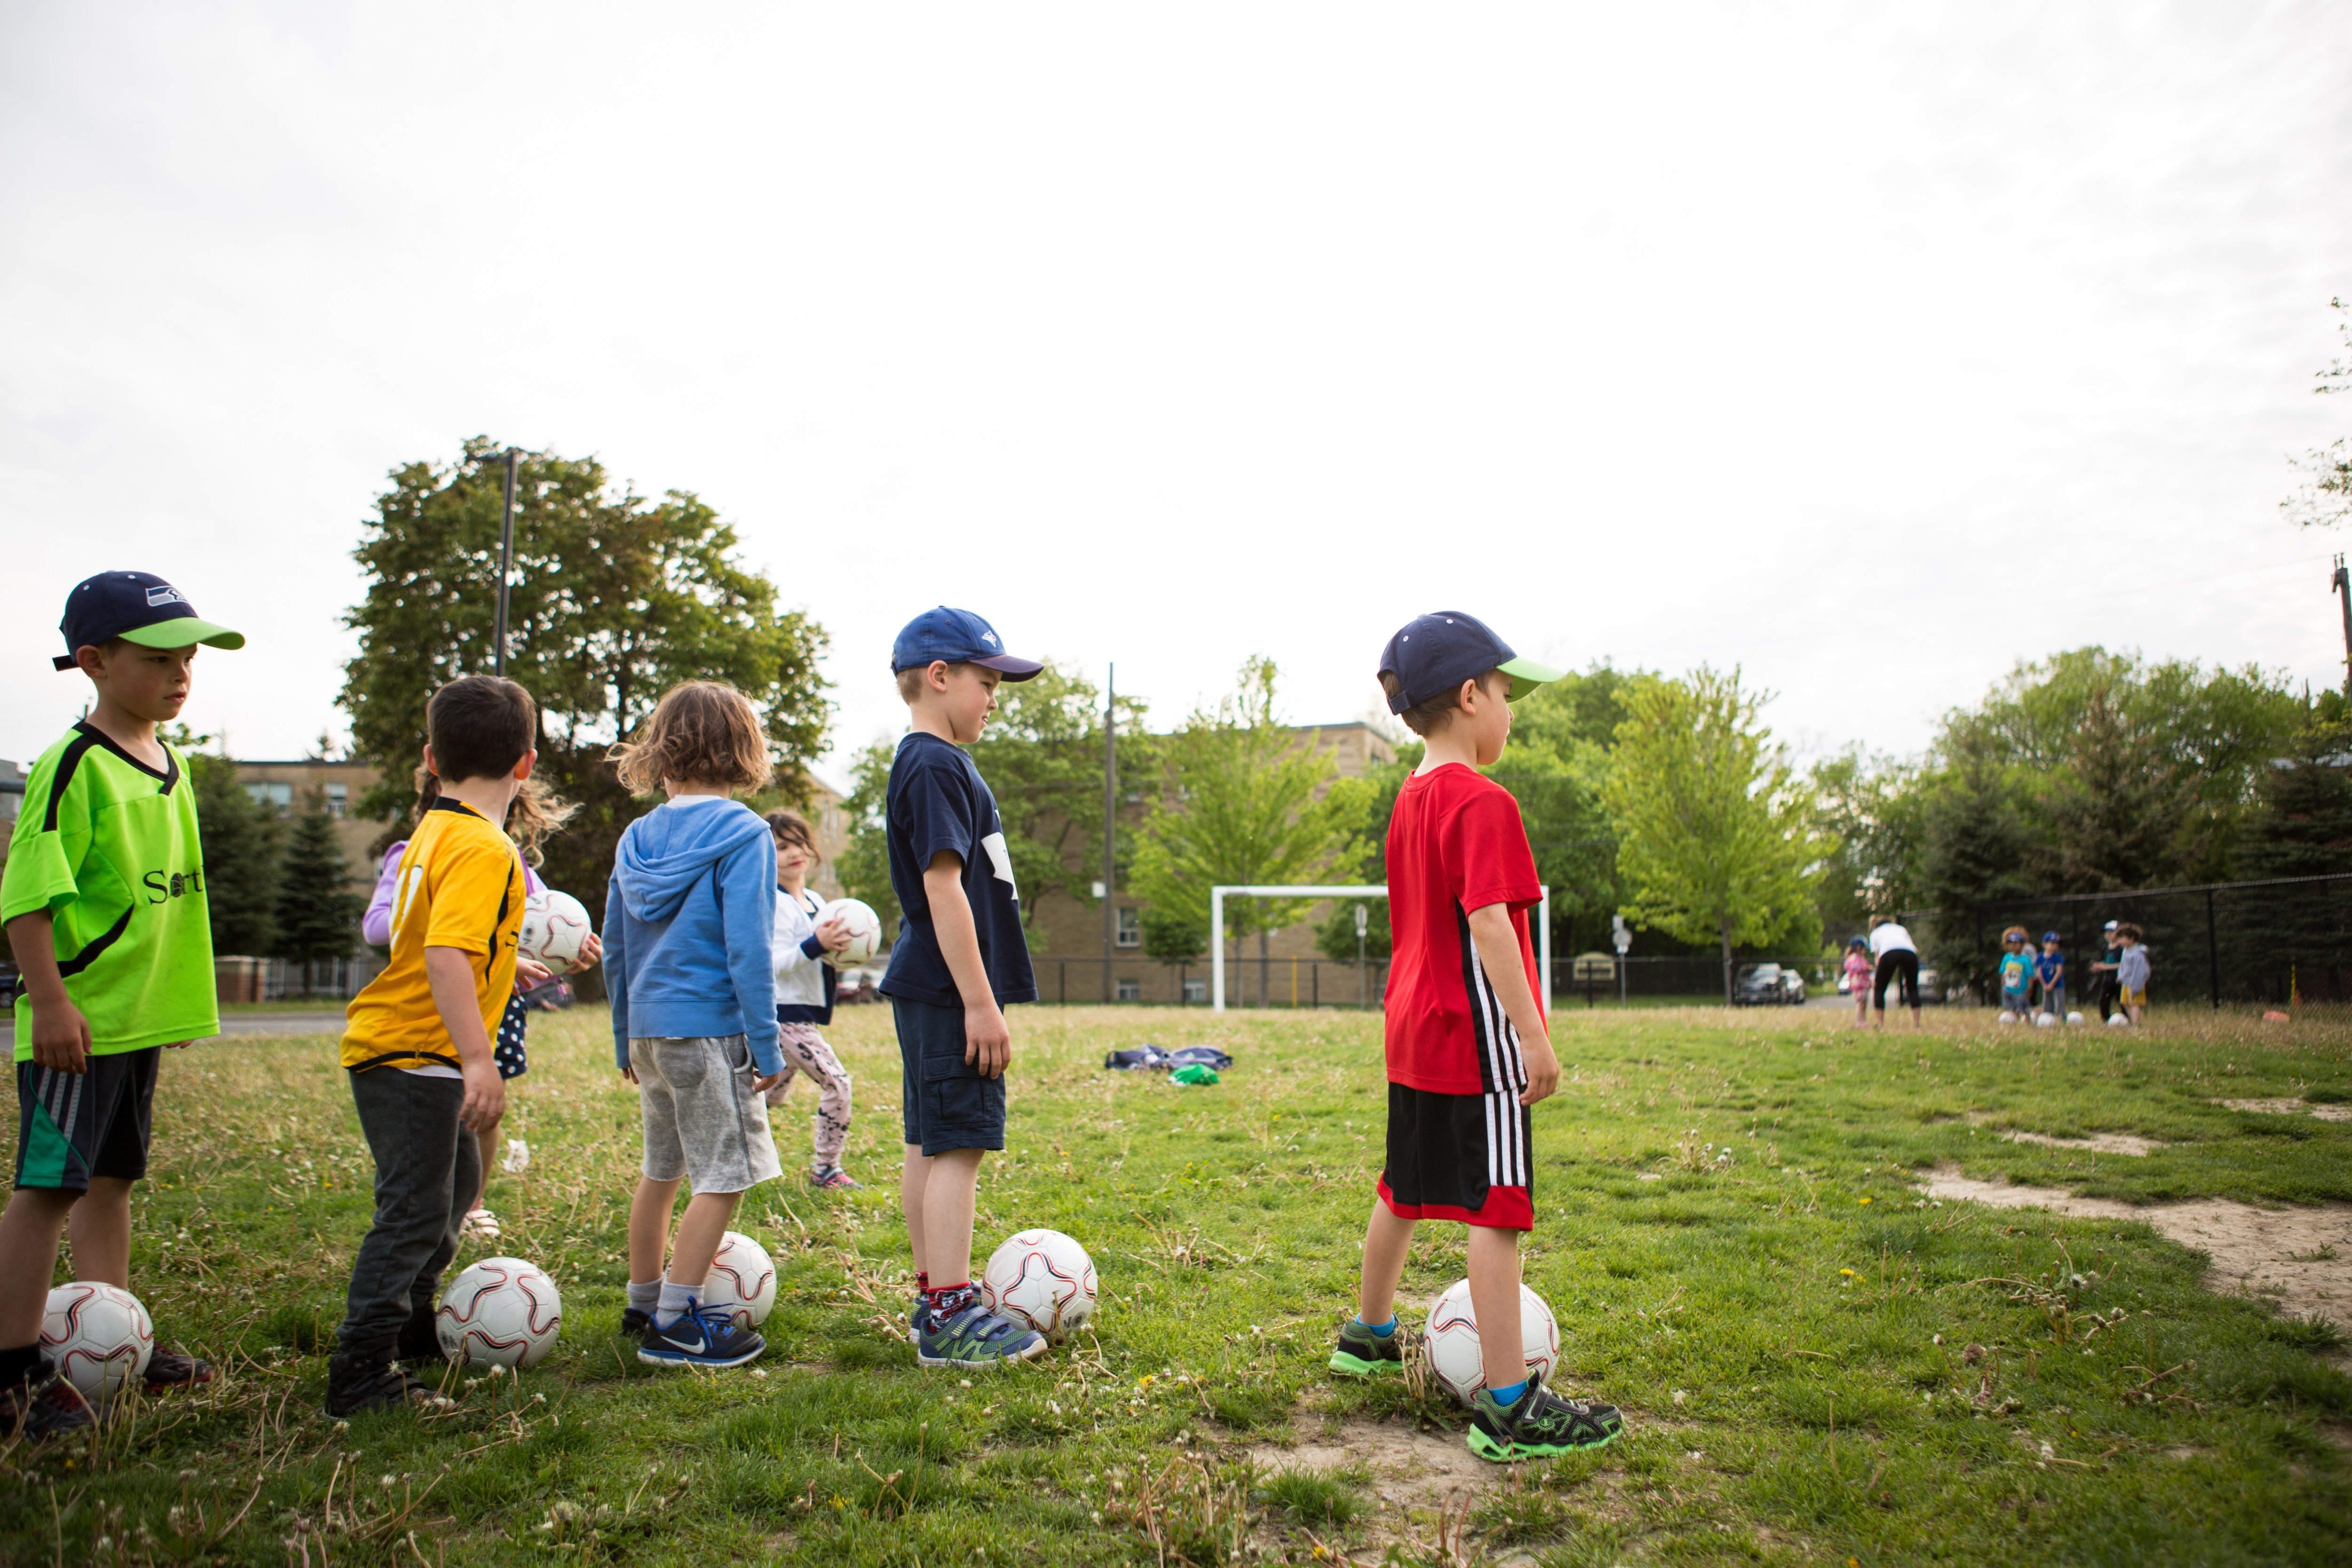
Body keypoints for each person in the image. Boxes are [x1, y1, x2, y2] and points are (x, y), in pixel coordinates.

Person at [1331, 611, 1622, 1463]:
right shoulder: (1484, 800)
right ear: (1468, 696)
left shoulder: (1410, 798)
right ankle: (1508, 1405)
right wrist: (1533, 1036)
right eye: (1505, 692)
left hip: (1411, 1024)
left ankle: (1371, 1333)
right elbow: (1491, 925)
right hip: (1475, 1032)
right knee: (1498, 1207)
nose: (1511, 709)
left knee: (1406, 1186)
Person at [0, 572, 240, 1440]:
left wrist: (165, 1005)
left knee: (113, 1180)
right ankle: (12, 1367)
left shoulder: (171, 762)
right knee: (47, 1187)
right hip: (79, 1024)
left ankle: (114, 1338)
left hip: (136, 1023)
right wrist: (52, 1002)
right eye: (158, 660)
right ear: (95, 662)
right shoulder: (73, 764)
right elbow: (26, 897)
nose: (181, 675)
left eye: (188, 660)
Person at [327, 675, 538, 1415]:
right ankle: (360, 1369)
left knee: (448, 1196)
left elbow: (433, 941)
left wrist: (508, 967)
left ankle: (415, 1327)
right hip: (416, 1055)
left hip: (408, 1047)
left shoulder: (433, 834)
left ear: (430, 757)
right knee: (413, 1210)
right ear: (525, 762)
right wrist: (481, 1059)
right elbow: (445, 955)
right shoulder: (485, 848)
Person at [881, 607, 1050, 1368]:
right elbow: (943, 886)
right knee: (961, 1144)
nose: (993, 697)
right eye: (986, 681)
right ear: (940, 676)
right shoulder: (936, 763)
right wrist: (981, 1002)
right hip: (950, 990)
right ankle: (950, 1307)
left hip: (928, 983)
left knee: (931, 1137)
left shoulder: (930, 761)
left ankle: (934, 1291)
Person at [604, 682, 786, 1368]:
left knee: (662, 1168)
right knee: (725, 1174)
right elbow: (748, 948)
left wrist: (624, 1033)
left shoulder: (637, 835)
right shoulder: (745, 833)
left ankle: (643, 1299)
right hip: (709, 1030)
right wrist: (766, 1046)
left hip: (649, 1031)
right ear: (742, 750)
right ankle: (679, 1322)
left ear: (665, 750)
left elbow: (616, 943)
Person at [361, 773, 598, 1242]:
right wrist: (448, 924)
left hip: (498, 1003)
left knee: (485, 1105)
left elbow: (541, 926)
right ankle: (422, 1205)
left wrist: (576, 948)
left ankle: (471, 1203)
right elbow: (375, 928)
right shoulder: (412, 854)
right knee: (433, 1119)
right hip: (432, 1006)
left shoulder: (510, 860)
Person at [764, 810, 860, 1189]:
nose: (794, 852)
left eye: (799, 842)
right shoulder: (773, 903)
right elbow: (769, 964)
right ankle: (826, 1170)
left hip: (806, 1015)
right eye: (782, 846)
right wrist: (814, 945)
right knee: (837, 1084)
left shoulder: (818, 901)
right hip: (785, 1018)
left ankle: (728, 1145)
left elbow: (826, 953)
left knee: (762, 1097)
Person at [1867, 915, 1920, 1027]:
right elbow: (1915, 949)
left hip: (1888, 953)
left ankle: (1880, 1024)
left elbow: (1878, 960)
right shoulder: (1900, 929)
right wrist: (1910, 976)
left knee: (1879, 989)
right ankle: (1916, 1024)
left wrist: (1878, 978)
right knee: (1913, 988)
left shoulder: (1875, 933)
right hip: (1910, 953)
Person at [2086, 920, 2123, 1022]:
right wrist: (2099, 966)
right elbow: (2105, 962)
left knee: (2122, 1001)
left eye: (2111, 932)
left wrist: (2105, 967)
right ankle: (2106, 1021)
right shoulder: (2105, 948)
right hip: (2108, 980)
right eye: (2107, 933)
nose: (2108, 935)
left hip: (2119, 980)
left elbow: (2122, 965)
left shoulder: (2122, 949)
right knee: (2104, 1001)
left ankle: (2126, 1019)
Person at [2114, 924, 2149, 1026]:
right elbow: (2123, 966)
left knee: (2135, 1004)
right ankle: (2133, 1022)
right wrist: (2120, 976)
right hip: (2126, 983)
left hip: (2134, 984)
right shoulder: (2126, 951)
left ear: (2131, 939)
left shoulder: (2137, 954)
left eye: (2122, 938)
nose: (2119, 941)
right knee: (2125, 1002)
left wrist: (2135, 986)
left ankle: (2136, 1024)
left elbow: (2141, 972)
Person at [1997, 928, 2033, 1019]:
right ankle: (2014, 1021)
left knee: (2025, 1009)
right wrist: (2003, 986)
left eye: (2016, 943)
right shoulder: (2007, 958)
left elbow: (2030, 976)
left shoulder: (2025, 960)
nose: (2013, 946)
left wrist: (2030, 988)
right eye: (2011, 943)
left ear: (2022, 944)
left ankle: (2028, 1021)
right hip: (2008, 989)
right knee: (2012, 1008)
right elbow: (2003, 973)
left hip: (2021, 990)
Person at [2035, 932, 2067, 1022]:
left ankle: (2063, 1020)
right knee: (2047, 1005)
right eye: (2052, 943)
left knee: (2059, 1004)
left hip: (2058, 985)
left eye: (2057, 944)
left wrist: (2052, 984)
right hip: (2046, 985)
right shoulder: (2040, 957)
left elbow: (2059, 971)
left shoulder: (2057, 957)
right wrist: (2045, 984)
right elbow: (2039, 972)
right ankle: (2048, 1021)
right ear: (2044, 944)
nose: (2055, 946)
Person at [1841, 937, 1872, 1027]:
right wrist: (1867, 968)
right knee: (1860, 1003)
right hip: (1859, 985)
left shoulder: (1860, 958)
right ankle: (1859, 1022)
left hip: (1864, 984)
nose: (1865, 951)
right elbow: (1856, 967)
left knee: (1864, 1004)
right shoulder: (1854, 958)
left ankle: (1864, 1021)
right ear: (1859, 948)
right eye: (1864, 949)